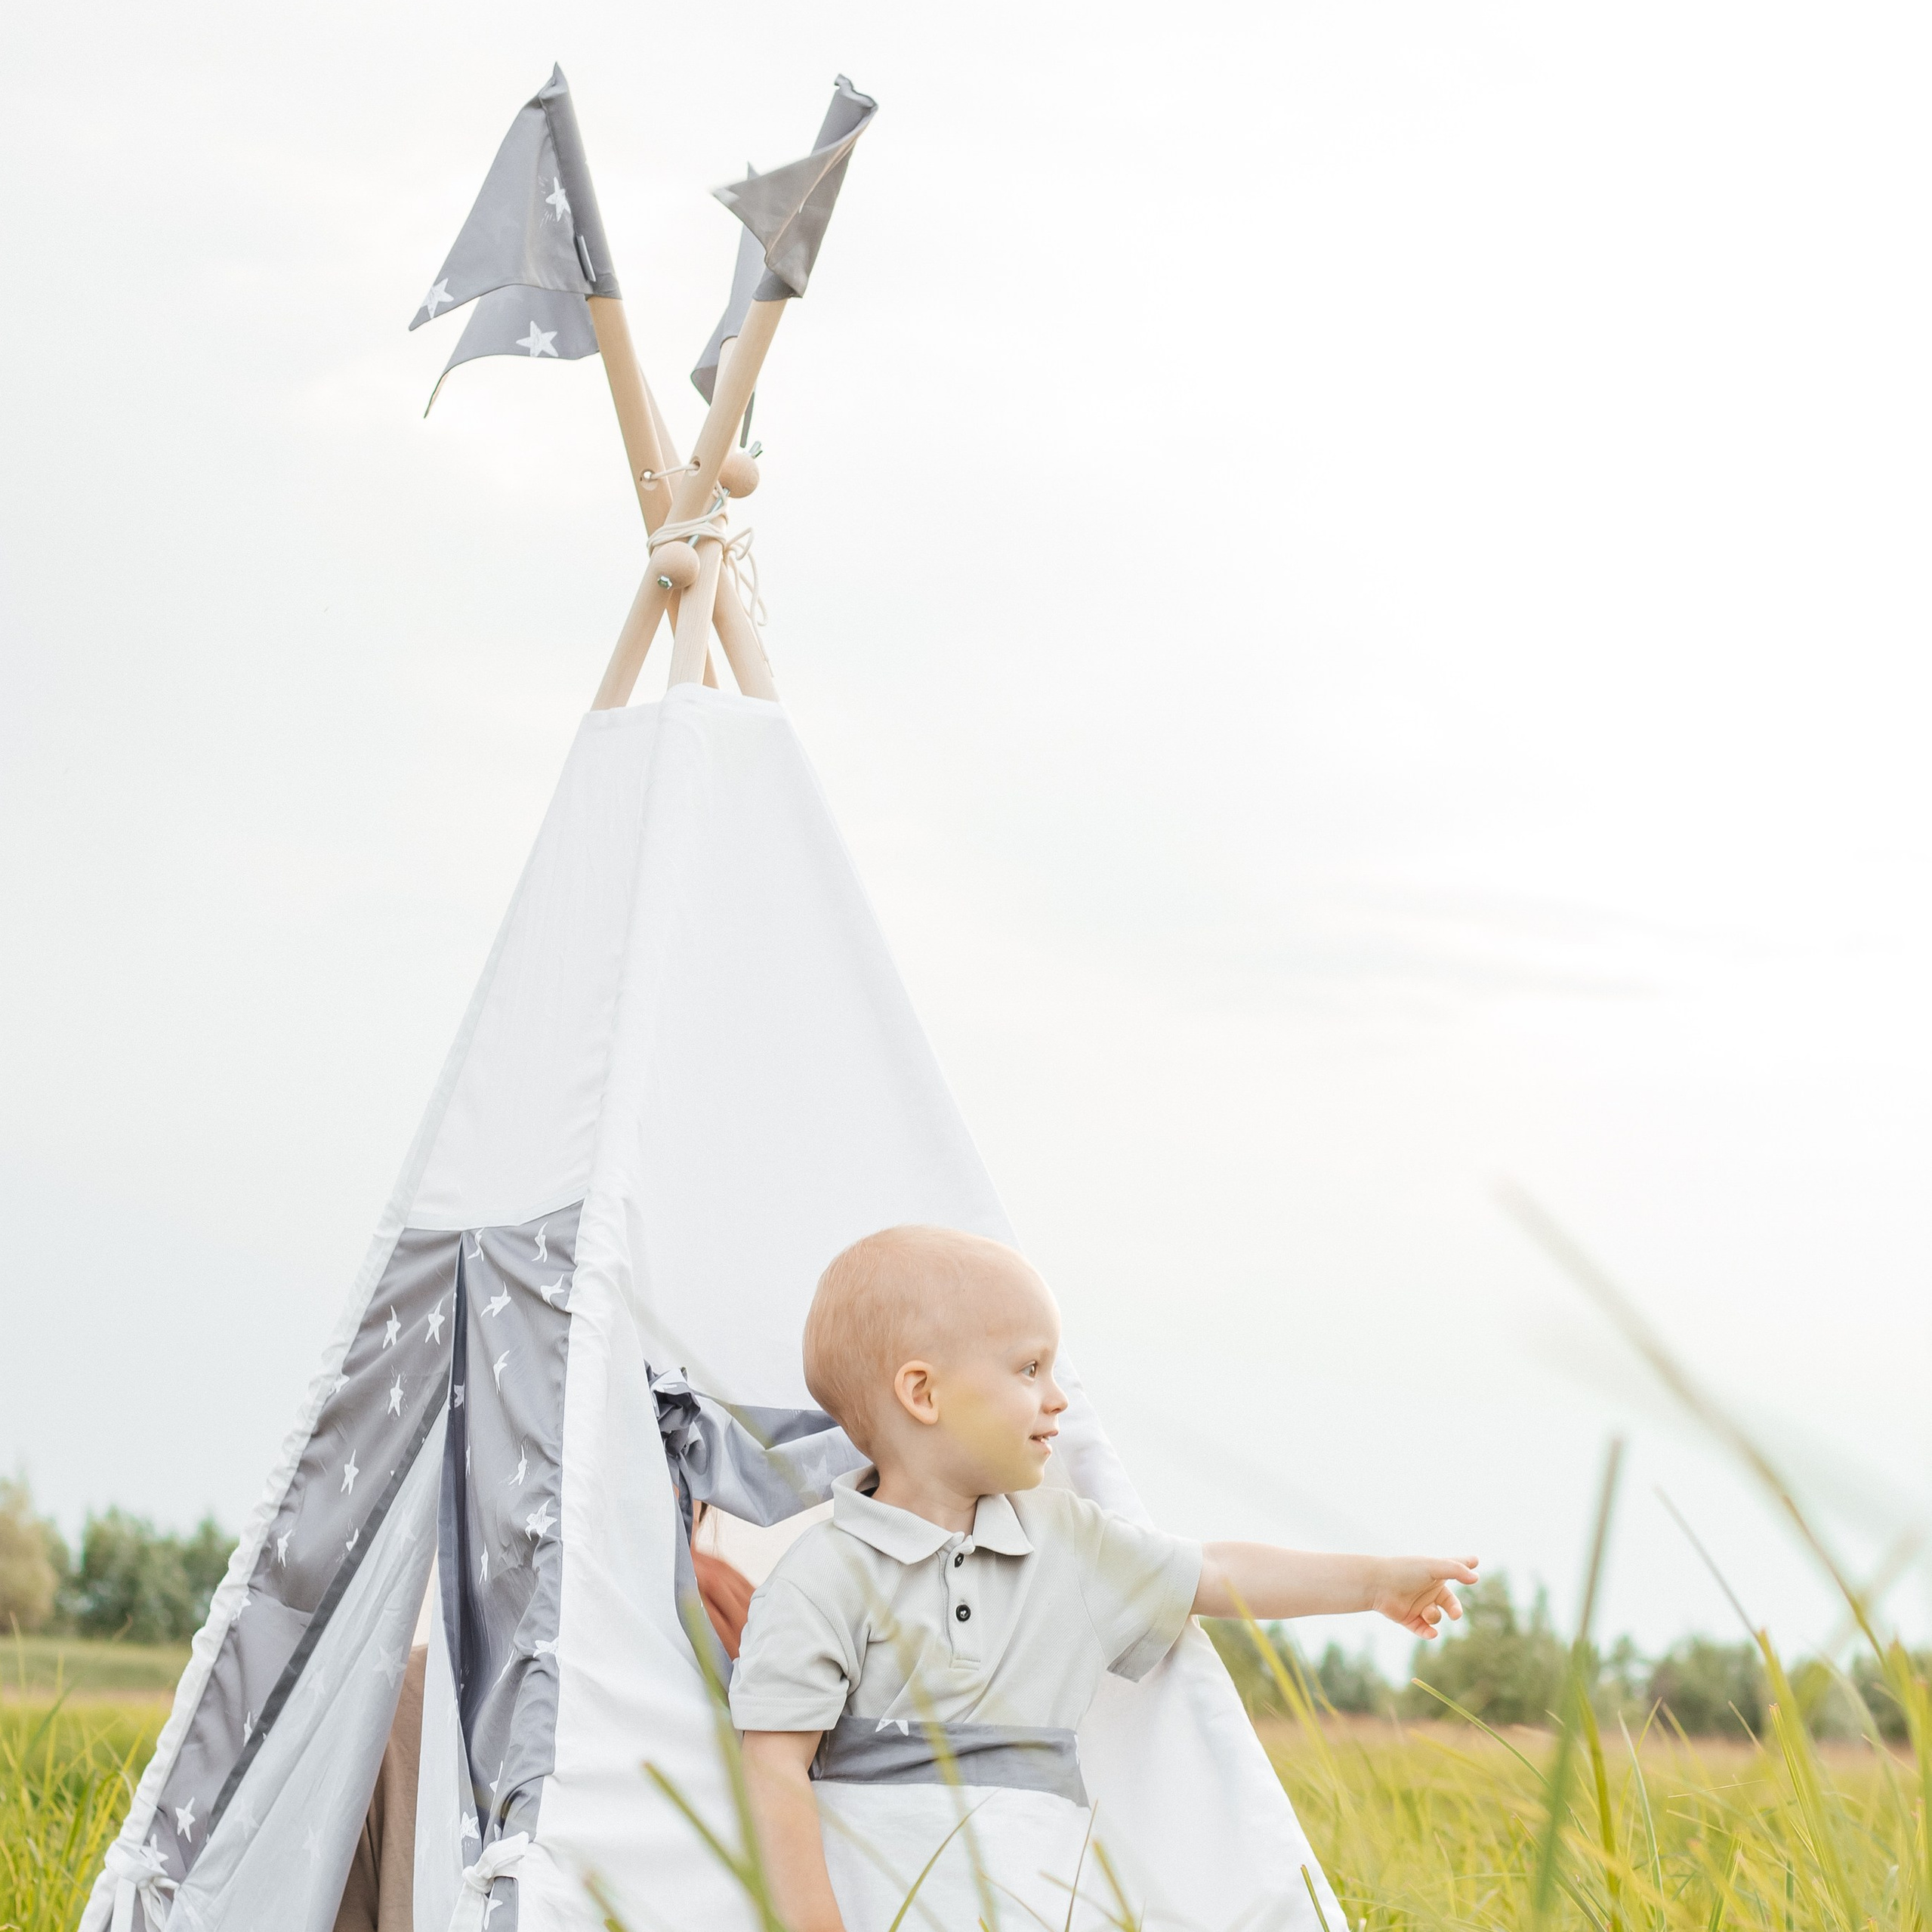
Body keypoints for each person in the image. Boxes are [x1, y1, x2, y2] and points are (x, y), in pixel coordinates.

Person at [731, 1225, 1479, 1932]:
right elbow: (773, 1770)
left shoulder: (1069, 1543)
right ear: (922, 1392)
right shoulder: (821, 1577)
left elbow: (1214, 1571)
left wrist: (1375, 1579)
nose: (1057, 1396)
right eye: (1029, 1367)